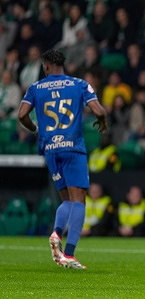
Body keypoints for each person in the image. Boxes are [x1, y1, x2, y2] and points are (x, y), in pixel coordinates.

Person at [18, 49, 107, 269]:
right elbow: (98, 109)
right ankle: (69, 253)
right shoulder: (79, 84)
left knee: (66, 199)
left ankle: (56, 233)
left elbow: (21, 115)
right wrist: (102, 120)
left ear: (46, 66)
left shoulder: (35, 88)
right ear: (62, 65)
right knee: (79, 200)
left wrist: (36, 129)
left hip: (50, 149)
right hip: (72, 147)